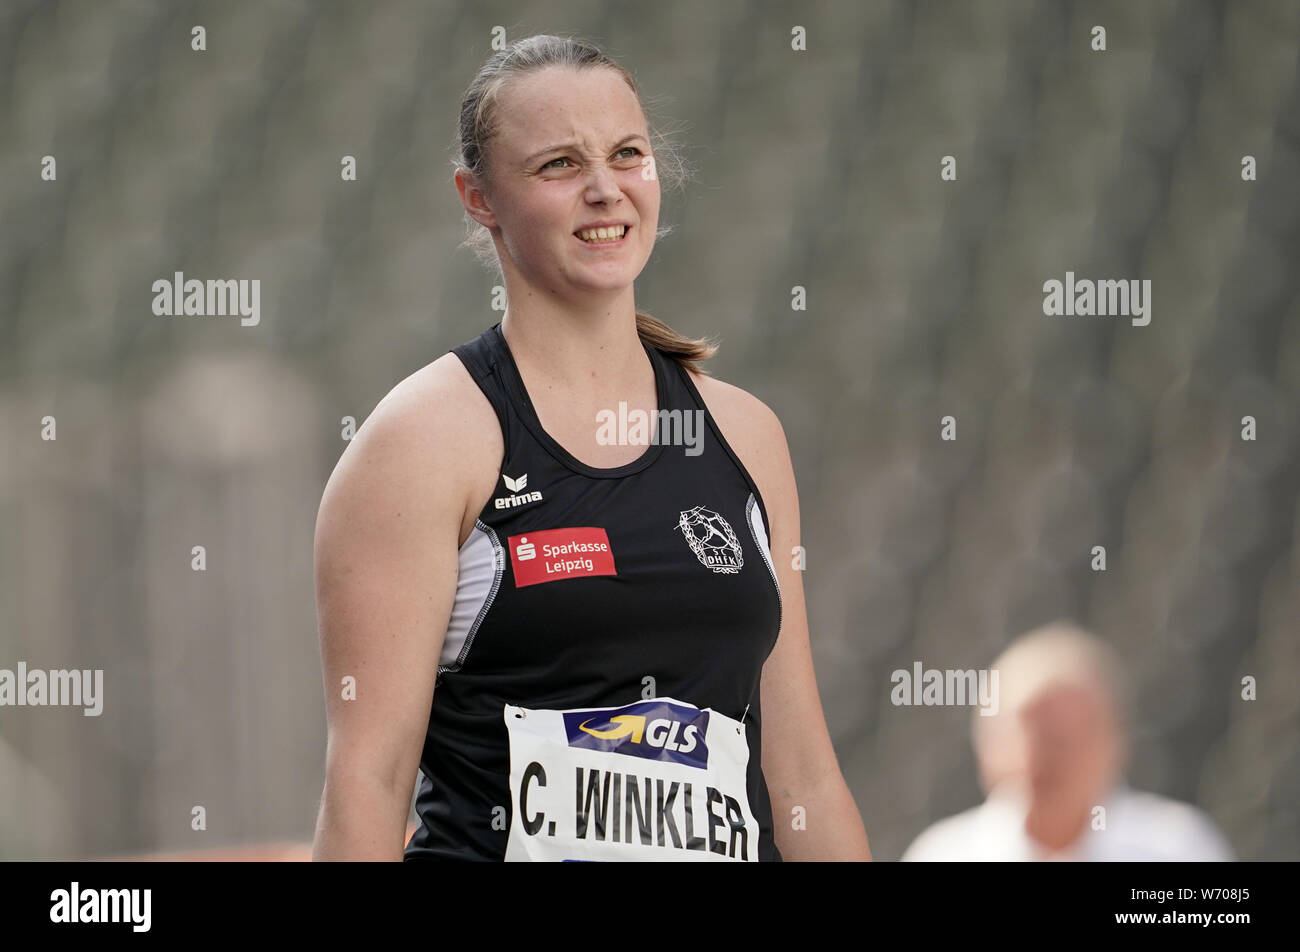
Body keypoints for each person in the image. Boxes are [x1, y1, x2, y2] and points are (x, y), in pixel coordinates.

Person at [311, 34, 871, 861]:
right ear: (479, 197)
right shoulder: (423, 442)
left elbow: (802, 779)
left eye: (627, 155)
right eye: (560, 166)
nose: (606, 191)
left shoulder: (745, 434)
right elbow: (368, 782)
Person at [902, 620, 1234, 861]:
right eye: (1027, 734)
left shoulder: (1180, 849)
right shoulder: (942, 855)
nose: (1044, 757)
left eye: (1068, 737)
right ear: (984, 747)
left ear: (1115, 744)